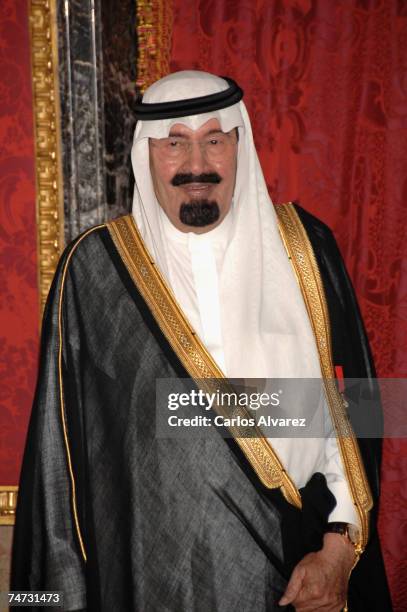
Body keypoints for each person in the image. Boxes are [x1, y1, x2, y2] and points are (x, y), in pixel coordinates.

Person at [11, 71, 392, 611]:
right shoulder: (94, 272)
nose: (197, 164)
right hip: (148, 582)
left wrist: (338, 549)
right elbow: (61, 458)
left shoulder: (307, 249)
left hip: (295, 573)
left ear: (240, 144)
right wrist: (45, 600)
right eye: (175, 143)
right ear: (147, 153)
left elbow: (362, 410)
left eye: (214, 140)